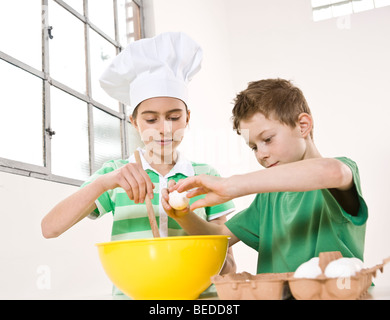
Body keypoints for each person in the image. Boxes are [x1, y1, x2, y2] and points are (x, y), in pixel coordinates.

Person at [41, 32, 236, 295]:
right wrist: (104, 182)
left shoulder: (205, 176)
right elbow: (50, 228)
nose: (164, 130)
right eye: (151, 119)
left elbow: (228, 265)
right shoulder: (116, 174)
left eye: (174, 117)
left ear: (187, 118)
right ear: (135, 122)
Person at [162, 78, 368, 275]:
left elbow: (332, 172)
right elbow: (217, 237)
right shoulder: (269, 197)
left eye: (268, 139)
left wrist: (233, 185)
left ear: (303, 125)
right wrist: (182, 215)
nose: (261, 154)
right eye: (253, 147)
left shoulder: (337, 174)